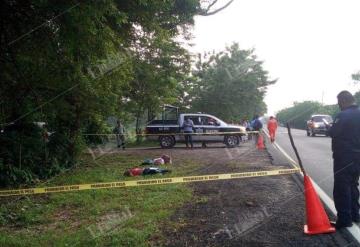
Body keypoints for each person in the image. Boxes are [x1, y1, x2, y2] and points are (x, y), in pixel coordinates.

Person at [328, 90, 360, 229]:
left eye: (339, 102)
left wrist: (330, 127)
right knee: (353, 184)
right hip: (358, 156)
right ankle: (355, 215)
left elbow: (333, 132)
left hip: (345, 156)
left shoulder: (343, 115)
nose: (338, 104)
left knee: (342, 187)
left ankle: (345, 219)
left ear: (343, 101)